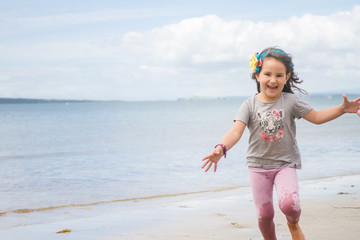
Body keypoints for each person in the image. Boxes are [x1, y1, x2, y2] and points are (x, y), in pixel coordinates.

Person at [201, 47, 360, 240]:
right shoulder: (249, 105)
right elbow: (236, 131)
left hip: (285, 163)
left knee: (289, 205)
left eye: (279, 75)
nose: (273, 80)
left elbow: (317, 117)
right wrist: (221, 147)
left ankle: (293, 224)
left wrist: (342, 109)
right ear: (257, 75)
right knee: (264, 214)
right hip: (258, 166)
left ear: (287, 77)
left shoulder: (291, 101)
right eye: (267, 74)